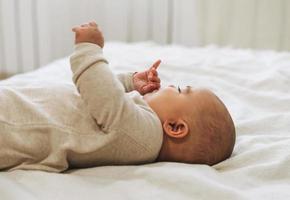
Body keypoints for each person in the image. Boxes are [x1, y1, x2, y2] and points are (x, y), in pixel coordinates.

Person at [0, 21, 235, 172]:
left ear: (174, 127)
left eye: (181, 90)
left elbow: (102, 95)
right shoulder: (137, 130)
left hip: (11, 127)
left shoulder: (146, 138)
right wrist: (131, 82)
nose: (171, 84)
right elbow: (111, 100)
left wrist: (89, 50)